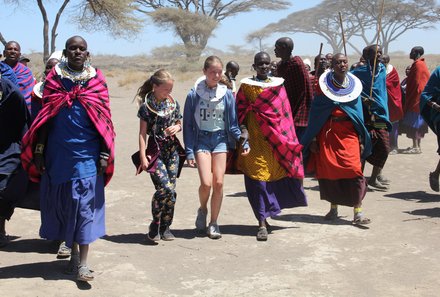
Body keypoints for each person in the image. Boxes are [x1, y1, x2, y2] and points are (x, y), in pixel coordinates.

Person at [21, 36, 115, 282]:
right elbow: (45, 118)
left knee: (83, 206)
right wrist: (39, 151)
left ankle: (83, 263)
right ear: (65, 52)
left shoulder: (97, 80)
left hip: (88, 154)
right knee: (66, 205)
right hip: (58, 155)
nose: (77, 52)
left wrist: (105, 152)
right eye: (73, 48)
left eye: (81, 49)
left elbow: (104, 120)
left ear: (87, 53)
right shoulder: (54, 79)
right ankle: (72, 252)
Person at [235, 52, 307, 241]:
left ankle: (268, 214)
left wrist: (286, 138)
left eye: (267, 63)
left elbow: (285, 115)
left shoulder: (278, 86)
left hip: (274, 141)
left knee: (271, 178)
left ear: (271, 66)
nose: (264, 67)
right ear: (254, 66)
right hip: (254, 141)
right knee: (258, 180)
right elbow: (240, 111)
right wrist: (243, 131)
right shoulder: (247, 86)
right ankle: (261, 222)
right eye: (260, 64)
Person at [183, 55, 250, 239]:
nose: (216, 75)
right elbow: (188, 124)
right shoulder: (193, 94)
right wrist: (189, 150)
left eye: (219, 72)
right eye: (212, 71)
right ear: (204, 72)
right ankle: (202, 209)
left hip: (220, 140)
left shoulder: (227, 94)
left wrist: (243, 142)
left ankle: (213, 223)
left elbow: (233, 124)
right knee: (206, 183)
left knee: (219, 183)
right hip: (201, 140)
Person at [301, 53, 372, 224]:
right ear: (332, 65)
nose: (342, 65)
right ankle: (333, 209)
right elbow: (317, 113)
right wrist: (313, 139)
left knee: (354, 170)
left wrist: (361, 139)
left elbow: (358, 115)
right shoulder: (323, 85)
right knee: (330, 172)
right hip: (328, 133)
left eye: (344, 62)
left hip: (349, 134)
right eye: (338, 62)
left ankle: (358, 212)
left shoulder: (354, 86)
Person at [135, 69, 184, 242]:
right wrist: (142, 156)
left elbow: (179, 122)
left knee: (172, 192)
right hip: (155, 152)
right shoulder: (146, 107)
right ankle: (155, 223)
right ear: (155, 86)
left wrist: (177, 128)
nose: (168, 93)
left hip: (172, 152)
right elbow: (142, 134)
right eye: (165, 89)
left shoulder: (173, 103)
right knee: (164, 188)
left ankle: (166, 226)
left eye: (170, 90)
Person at [351, 45, 391, 191]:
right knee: (363, 146)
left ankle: (374, 178)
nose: (380, 55)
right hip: (364, 116)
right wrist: (362, 98)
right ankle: (359, 179)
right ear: (368, 56)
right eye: (377, 53)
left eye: (381, 52)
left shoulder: (382, 71)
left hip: (379, 116)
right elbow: (349, 88)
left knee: (385, 147)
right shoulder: (358, 72)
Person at [0, 74, 31, 247]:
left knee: (3, 185)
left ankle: (0, 229)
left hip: (9, 146)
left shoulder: (11, 92)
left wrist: (25, 151)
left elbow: (23, 122)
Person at [274, 37, 313, 141]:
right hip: (285, 109)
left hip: (299, 111)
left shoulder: (296, 63)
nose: (274, 50)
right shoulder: (280, 66)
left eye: (276, 47)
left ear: (284, 48)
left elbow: (305, 90)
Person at [400, 46, 430, 154]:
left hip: (416, 100)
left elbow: (418, 85)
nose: (410, 53)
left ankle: (416, 147)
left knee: (415, 124)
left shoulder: (418, 65)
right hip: (417, 100)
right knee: (416, 124)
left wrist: (411, 98)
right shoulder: (419, 64)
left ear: (417, 53)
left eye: (412, 51)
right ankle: (416, 146)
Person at [420, 67, 440, 192]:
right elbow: (425, 95)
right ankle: (435, 174)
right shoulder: (438, 72)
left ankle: (436, 173)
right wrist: (435, 105)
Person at [1, 41, 35, 110]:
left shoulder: (25, 72)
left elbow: (23, 95)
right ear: (4, 53)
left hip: (20, 112)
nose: (12, 51)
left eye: (15, 50)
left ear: (19, 55)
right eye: (9, 49)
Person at [382, 54, 403, 155]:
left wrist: (381, 82)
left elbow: (392, 84)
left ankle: (394, 146)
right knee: (381, 125)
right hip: (382, 102)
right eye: (382, 60)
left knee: (393, 125)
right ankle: (384, 146)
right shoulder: (376, 70)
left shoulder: (392, 70)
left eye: (385, 60)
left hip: (392, 102)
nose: (383, 62)